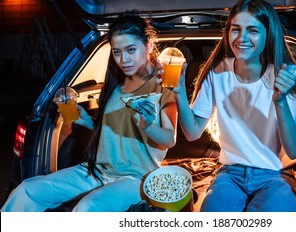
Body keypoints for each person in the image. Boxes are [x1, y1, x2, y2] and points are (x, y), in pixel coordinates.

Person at [1, 12, 177, 212]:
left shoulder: (164, 87)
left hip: (137, 178)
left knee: (87, 209)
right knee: (26, 191)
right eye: (117, 52)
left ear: (148, 46)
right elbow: (115, 131)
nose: (123, 59)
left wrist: (147, 125)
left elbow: (169, 140)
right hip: (98, 169)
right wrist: (88, 122)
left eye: (130, 50)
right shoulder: (115, 83)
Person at [157, 0, 296, 212]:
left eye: (253, 30)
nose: (241, 38)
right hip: (229, 174)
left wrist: (280, 102)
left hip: (276, 176)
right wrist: (178, 93)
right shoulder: (218, 72)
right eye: (236, 29)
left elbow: (293, 150)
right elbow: (192, 133)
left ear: (268, 34)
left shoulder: (288, 74)